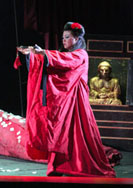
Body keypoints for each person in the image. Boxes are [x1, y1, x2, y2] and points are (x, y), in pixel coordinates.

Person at [16, 22, 119, 177]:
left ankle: (81, 165)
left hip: (77, 102)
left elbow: (64, 60)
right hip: (67, 101)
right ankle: (58, 166)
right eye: (63, 37)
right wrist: (32, 54)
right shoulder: (67, 54)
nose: (63, 40)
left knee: (79, 133)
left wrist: (43, 53)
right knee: (61, 132)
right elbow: (55, 66)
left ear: (77, 39)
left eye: (67, 37)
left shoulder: (81, 54)